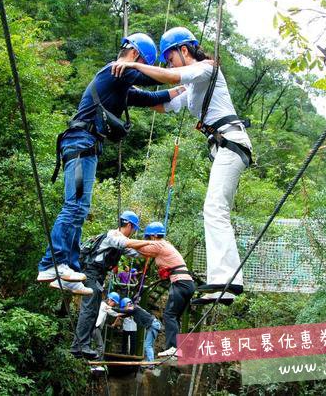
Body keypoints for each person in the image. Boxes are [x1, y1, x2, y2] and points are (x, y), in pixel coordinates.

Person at [111, 27, 252, 305]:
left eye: (170, 58)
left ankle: (227, 281)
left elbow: (173, 76)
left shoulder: (206, 69)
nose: (169, 64)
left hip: (231, 144)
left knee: (214, 209)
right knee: (214, 210)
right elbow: (164, 104)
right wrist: (128, 92)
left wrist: (133, 64)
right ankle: (224, 282)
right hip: (225, 149)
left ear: (184, 51)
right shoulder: (193, 87)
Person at [37, 33, 185, 295]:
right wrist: (184, 71)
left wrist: (183, 88)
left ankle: (68, 269)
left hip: (86, 146)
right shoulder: (116, 72)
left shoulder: (121, 87)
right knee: (75, 206)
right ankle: (53, 263)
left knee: (80, 209)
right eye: (140, 62)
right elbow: (148, 78)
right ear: (136, 56)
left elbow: (151, 97)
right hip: (81, 144)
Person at [70, 211, 140, 359]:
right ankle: (83, 345)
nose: (133, 233)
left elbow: (135, 252)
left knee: (93, 312)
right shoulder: (113, 235)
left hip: (97, 277)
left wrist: (155, 247)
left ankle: (78, 346)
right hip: (91, 274)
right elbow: (123, 244)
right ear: (129, 225)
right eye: (134, 229)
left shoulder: (122, 241)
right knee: (88, 310)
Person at [124, 222, 195, 358]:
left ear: (155, 235)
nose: (149, 240)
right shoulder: (166, 245)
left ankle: (173, 347)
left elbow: (140, 249)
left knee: (169, 315)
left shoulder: (159, 244)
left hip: (180, 283)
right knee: (175, 317)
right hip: (187, 283)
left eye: (149, 237)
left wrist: (123, 241)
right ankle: (176, 349)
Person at [117, 297, 161, 362]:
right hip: (152, 325)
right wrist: (115, 313)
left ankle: (150, 363)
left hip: (153, 325)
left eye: (124, 307)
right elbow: (124, 314)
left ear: (127, 305)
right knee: (148, 345)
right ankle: (150, 362)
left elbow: (124, 311)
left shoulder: (135, 308)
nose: (124, 309)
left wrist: (111, 308)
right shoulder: (134, 310)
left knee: (148, 345)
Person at [92, 292, 122, 360]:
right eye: (114, 303)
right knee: (101, 347)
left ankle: (94, 362)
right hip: (95, 328)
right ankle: (95, 363)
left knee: (97, 346)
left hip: (96, 328)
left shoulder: (103, 305)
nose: (114, 305)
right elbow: (114, 313)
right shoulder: (104, 305)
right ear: (110, 300)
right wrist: (126, 312)